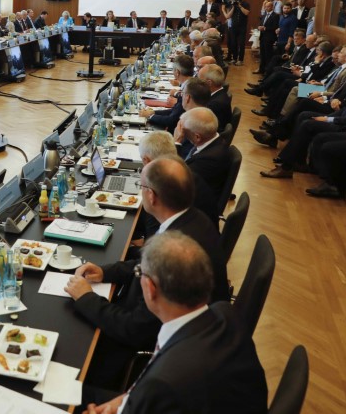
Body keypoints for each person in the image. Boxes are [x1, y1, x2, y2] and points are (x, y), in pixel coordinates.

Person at [66, 156, 227, 391]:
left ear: (151, 196)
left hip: (132, 349)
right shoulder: (191, 220)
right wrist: (105, 272)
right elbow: (145, 262)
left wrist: (86, 298)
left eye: (140, 186)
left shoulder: (179, 245)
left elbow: (135, 329)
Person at [82, 232, 267, 414]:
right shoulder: (225, 313)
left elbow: (164, 391)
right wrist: (124, 401)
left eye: (140, 273)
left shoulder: (163, 384)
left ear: (150, 288)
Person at [177, 107, 230, 201]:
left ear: (197, 137)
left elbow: (175, 179)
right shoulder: (216, 139)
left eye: (184, 131)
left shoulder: (209, 160)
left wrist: (177, 142)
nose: (181, 133)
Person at [138, 55, 194, 133]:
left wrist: (150, 116)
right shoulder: (190, 84)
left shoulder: (188, 89)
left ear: (177, 72)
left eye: (173, 70)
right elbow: (175, 111)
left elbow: (172, 120)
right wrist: (153, 112)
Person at [197, 64, 232, 131]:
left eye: (199, 80)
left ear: (209, 83)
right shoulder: (220, 93)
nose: (197, 83)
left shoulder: (215, 104)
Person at [223, 0, 251, 65]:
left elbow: (246, 13)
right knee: (233, 43)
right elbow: (228, 16)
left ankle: (240, 60)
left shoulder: (246, 4)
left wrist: (240, 6)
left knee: (241, 44)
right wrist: (233, 6)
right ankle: (234, 58)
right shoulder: (233, 4)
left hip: (242, 27)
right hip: (233, 26)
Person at [255, 1, 280, 74]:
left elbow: (275, 26)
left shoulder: (275, 15)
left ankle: (267, 71)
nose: (266, 8)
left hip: (270, 38)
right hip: (262, 37)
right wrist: (259, 27)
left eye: (268, 6)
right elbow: (261, 23)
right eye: (265, 6)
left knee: (268, 55)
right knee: (262, 54)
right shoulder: (264, 14)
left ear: (272, 7)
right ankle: (261, 69)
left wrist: (265, 28)